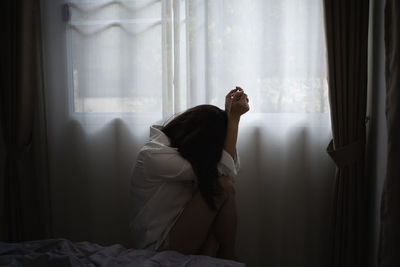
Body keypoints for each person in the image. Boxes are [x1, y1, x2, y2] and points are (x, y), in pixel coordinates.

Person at [129, 87, 249, 260]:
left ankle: (224, 258)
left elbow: (230, 166)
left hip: (182, 229)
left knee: (221, 187)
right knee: (222, 186)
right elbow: (225, 171)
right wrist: (234, 120)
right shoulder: (153, 156)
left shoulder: (178, 147)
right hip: (158, 245)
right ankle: (228, 257)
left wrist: (229, 116)